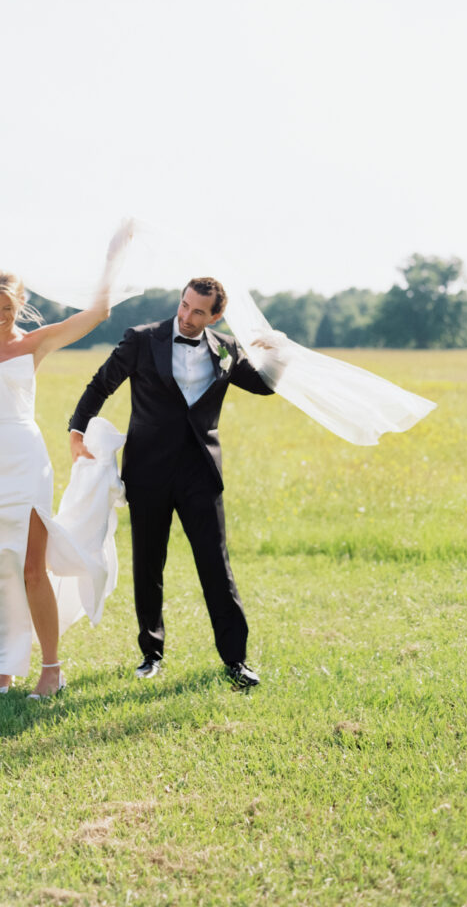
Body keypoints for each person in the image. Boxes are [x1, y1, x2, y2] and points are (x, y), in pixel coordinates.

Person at [69, 276, 279, 689]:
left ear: (216, 315)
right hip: (147, 472)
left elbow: (265, 386)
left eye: (198, 311)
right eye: (184, 305)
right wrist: (77, 430)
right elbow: (102, 383)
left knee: (216, 566)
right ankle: (151, 654)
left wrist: (280, 354)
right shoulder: (142, 340)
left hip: (200, 473)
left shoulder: (226, 350)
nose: (186, 316)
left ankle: (236, 660)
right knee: (148, 565)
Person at [0, 263, 117, 699]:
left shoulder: (35, 342)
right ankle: (4, 666)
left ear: (21, 306)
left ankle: (51, 667)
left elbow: (97, 313)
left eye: (7, 308)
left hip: (25, 459)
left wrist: (115, 255)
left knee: (30, 568)